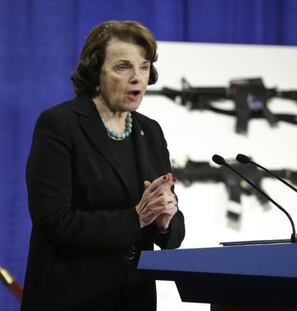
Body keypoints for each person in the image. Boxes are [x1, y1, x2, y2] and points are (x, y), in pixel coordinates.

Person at [21, 20, 185, 311]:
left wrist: (164, 222)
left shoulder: (151, 132)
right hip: (70, 297)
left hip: (134, 298)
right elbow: (54, 223)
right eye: (124, 67)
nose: (138, 77)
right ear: (96, 70)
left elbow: (173, 233)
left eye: (144, 67)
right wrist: (136, 218)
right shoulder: (60, 125)